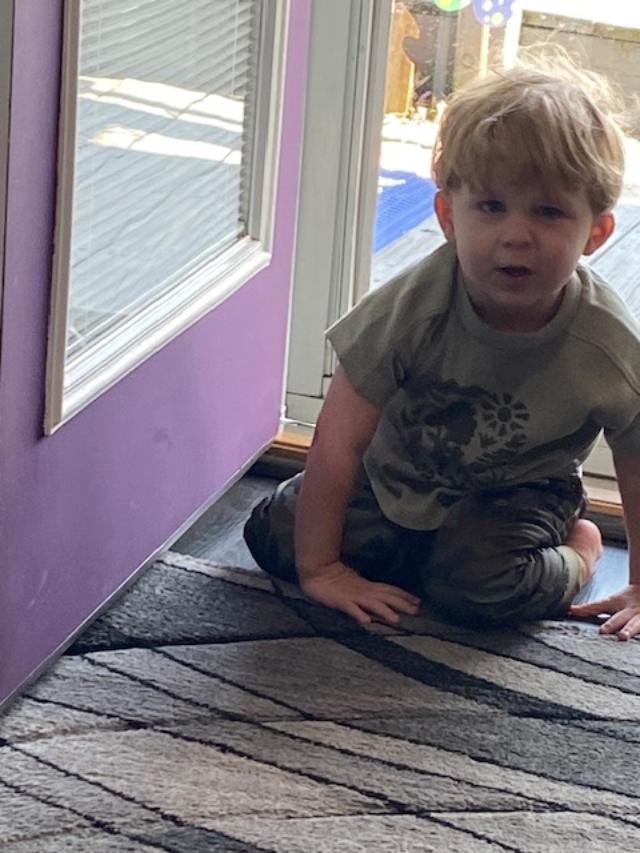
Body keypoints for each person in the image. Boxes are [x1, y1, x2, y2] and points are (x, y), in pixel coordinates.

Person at [245, 53, 640, 640]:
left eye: (549, 212)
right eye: (491, 206)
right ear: (449, 216)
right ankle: (416, 557)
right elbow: (339, 439)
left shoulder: (605, 342)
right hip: (395, 478)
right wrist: (322, 570)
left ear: (596, 233)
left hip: (517, 496)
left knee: (477, 589)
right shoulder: (412, 306)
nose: (516, 235)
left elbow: (635, 460)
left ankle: (577, 549)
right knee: (274, 531)